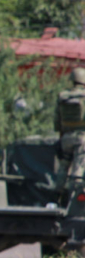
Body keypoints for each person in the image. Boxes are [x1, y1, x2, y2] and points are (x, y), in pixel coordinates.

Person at [54, 67, 85, 199]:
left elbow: (56, 120)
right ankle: (74, 197)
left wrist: (61, 135)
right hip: (81, 138)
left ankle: (57, 194)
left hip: (66, 137)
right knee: (78, 168)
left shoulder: (63, 96)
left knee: (64, 166)